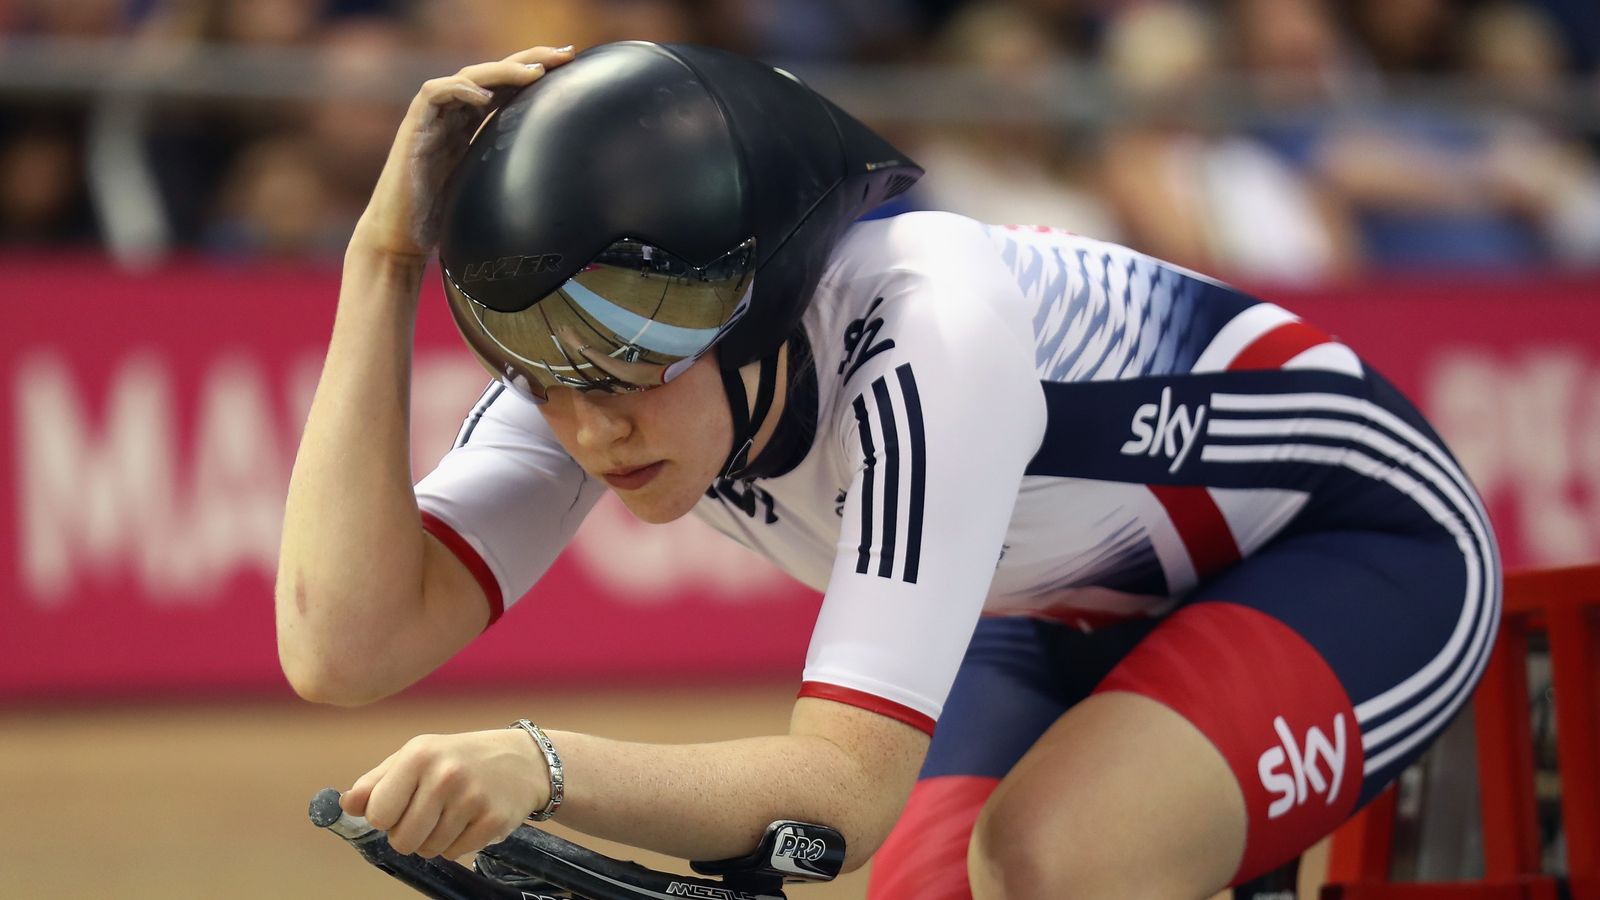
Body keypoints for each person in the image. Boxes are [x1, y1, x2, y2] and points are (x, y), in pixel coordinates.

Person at [275, 41, 1501, 899]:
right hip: (1067, 602)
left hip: (1359, 542)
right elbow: (345, 648)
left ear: (753, 315)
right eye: (549, 383)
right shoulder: (613, 357)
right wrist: (381, 258)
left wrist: (542, 768)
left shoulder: (925, 325)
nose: (588, 429)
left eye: (623, 376)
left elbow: (841, 798)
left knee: (1055, 864)